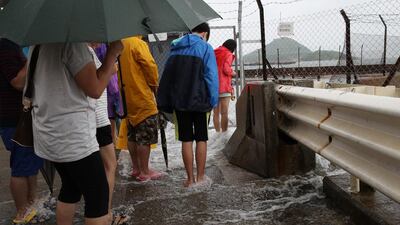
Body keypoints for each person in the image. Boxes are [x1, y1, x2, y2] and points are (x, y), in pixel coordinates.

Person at [30, 41, 123, 225]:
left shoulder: (39, 45)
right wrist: (112, 54)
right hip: (73, 137)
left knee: (70, 187)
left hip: (48, 133)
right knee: (98, 196)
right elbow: (95, 89)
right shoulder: (73, 44)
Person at [157, 23, 219, 187]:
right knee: (201, 139)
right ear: (205, 33)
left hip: (180, 102)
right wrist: (213, 100)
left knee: (186, 140)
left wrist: (166, 101)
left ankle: (190, 179)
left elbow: (168, 77)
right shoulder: (206, 48)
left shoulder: (176, 48)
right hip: (200, 102)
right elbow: (211, 77)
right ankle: (200, 178)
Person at [0, 38, 43, 224]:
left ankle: (31, 204)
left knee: (28, 164)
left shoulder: (9, 45)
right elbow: (17, 82)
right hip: (15, 119)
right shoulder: (6, 46)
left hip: (17, 117)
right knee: (20, 166)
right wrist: (33, 59)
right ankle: (21, 213)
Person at [118, 36, 162, 182]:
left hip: (127, 98)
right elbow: (150, 65)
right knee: (144, 136)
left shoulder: (119, 44)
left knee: (132, 134)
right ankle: (144, 171)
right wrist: (154, 86)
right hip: (142, 96)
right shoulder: (137, 43)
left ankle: (136, 168)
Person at [88, 43, 117, 223]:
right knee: (109, 166)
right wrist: (112, 57)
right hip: (98, 118)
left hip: (89, 120)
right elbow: (97, 86)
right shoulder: (86, 52)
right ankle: (105, 212)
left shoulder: (78, 50)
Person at [213, 39, 237, 133]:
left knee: (215, 114)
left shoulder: (214, 52)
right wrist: (233, 72)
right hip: (224, 87)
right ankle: (224, 134)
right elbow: (226, 69)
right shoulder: (228, 54)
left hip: (213, 87)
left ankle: (217, 133)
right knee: (224, 113)